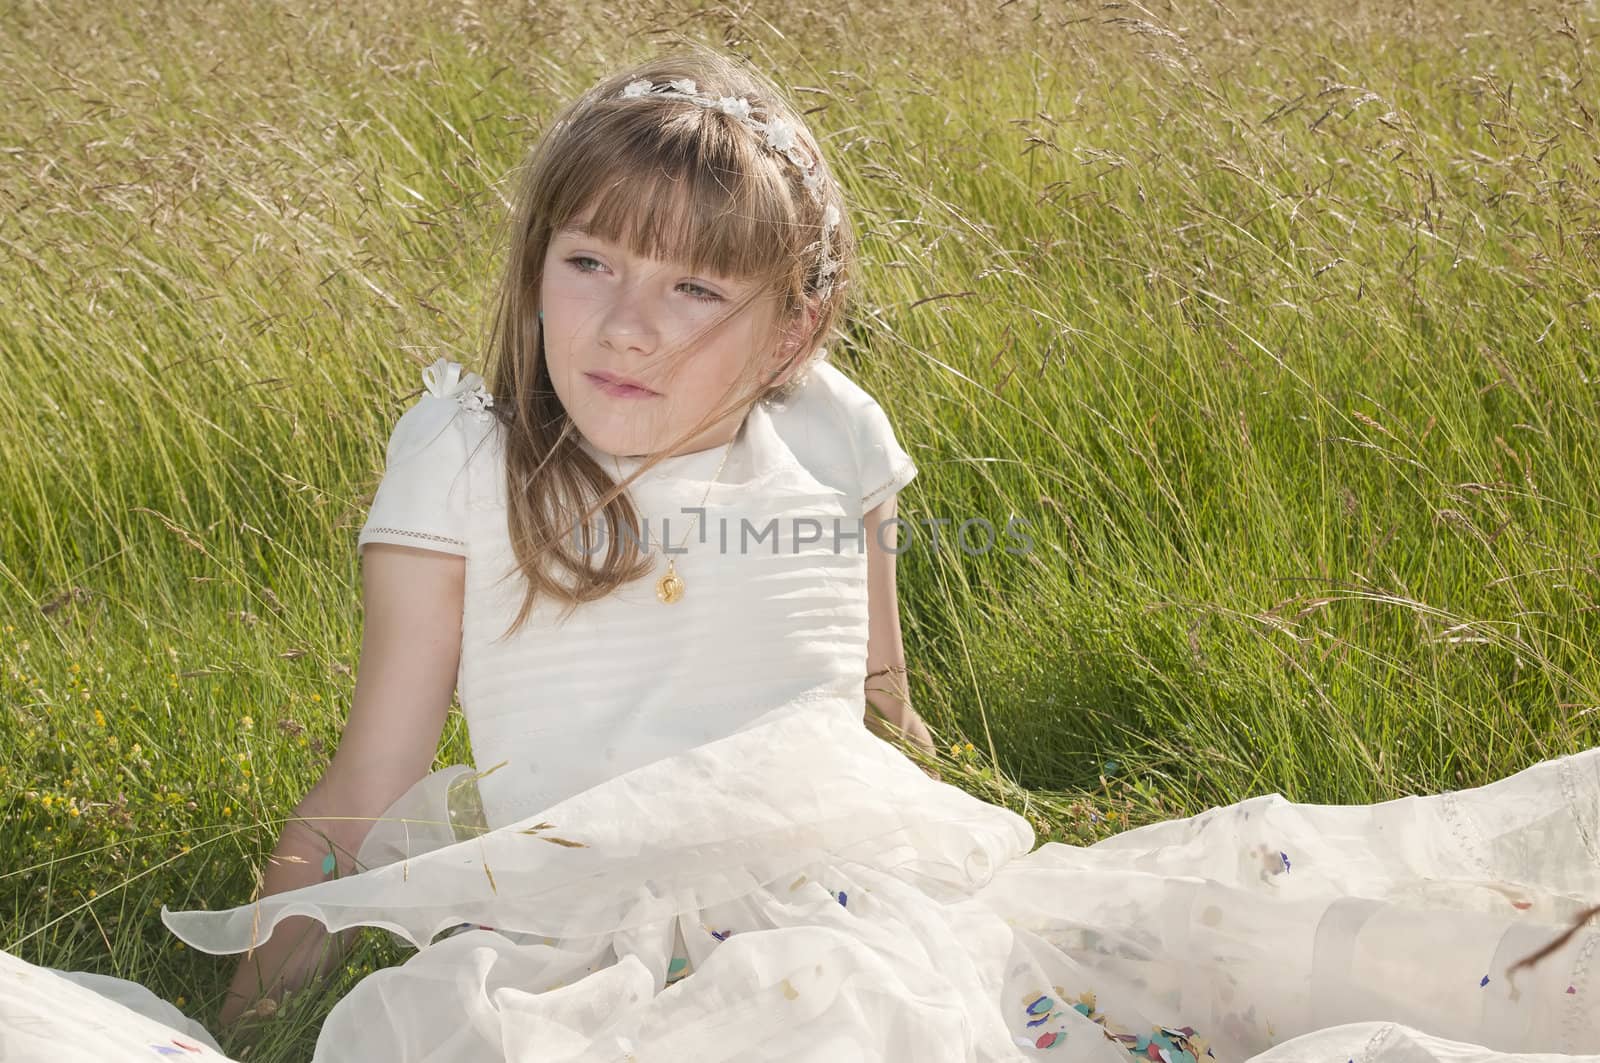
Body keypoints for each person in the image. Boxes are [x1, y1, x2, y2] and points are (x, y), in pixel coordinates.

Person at [3, 46, 1599, 1063]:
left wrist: (928, 768)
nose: (626, 321)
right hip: (581, 925)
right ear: (535, 261)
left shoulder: (831, 430)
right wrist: (263, 1005)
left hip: (849, 883)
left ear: (794, 326)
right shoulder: (469, 459)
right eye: (589, 261)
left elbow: (880, 689)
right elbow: (373, 768)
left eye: (697, 291)